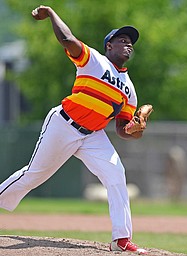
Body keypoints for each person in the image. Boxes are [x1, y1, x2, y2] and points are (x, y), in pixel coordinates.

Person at [0, 5, 148, 254]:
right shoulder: (94, 60)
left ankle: (121, 239)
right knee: (34, 175)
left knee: (116, 174)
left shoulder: (129, 89)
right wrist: (50, 12)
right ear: (109, 46)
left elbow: (122, 128)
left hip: (93, 135)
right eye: (122, 40)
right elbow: (67, 40)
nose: (128, 44)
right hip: (64, 124)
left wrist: (135, 129)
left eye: (131, 42)